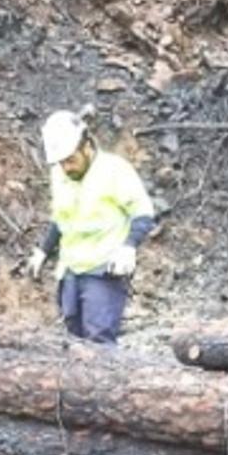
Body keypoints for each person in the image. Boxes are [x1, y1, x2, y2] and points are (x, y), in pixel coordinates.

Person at [27, 109, 156, 345]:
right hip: (71, 269)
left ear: (86, 145)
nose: (66, 168)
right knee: (72, 341)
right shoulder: (60, 173)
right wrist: (44, 251)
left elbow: (143, 214)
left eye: (70, 160)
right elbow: (61, 217)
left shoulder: (115, 171)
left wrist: (129, 247)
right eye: (61, 162)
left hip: (103, 270)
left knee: (98, 341)